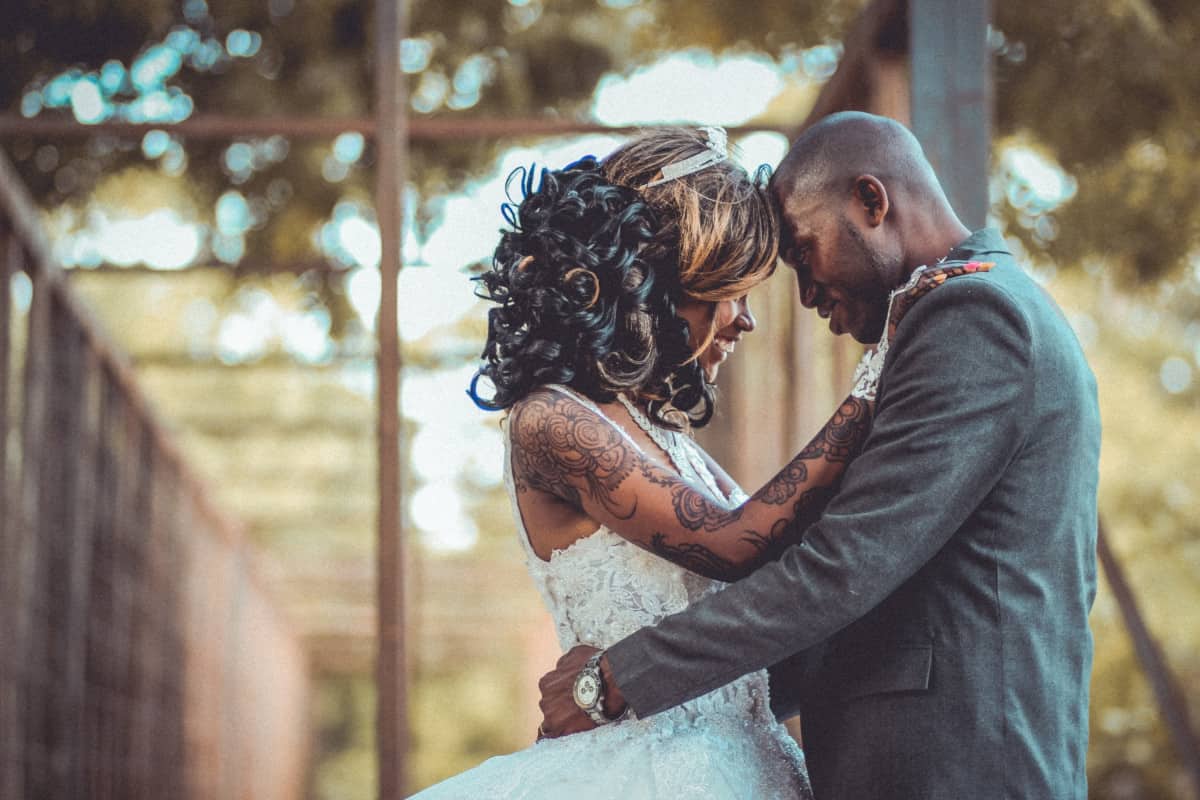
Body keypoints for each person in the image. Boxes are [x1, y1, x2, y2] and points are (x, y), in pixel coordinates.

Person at [537, 112, 1102, 800]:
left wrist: (621, 677)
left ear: (871, 201)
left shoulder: (976, 317)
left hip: (960, 770)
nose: (804, 296)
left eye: (803, 255)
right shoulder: (960, 313)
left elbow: (845, 564)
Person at [412, 125, 985, 799]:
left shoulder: (665, 436)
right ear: (655, 286)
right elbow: (732, 543)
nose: (745, 321)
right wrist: (877, 373)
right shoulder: (553, 421)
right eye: (732, 292)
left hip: (748, 763)